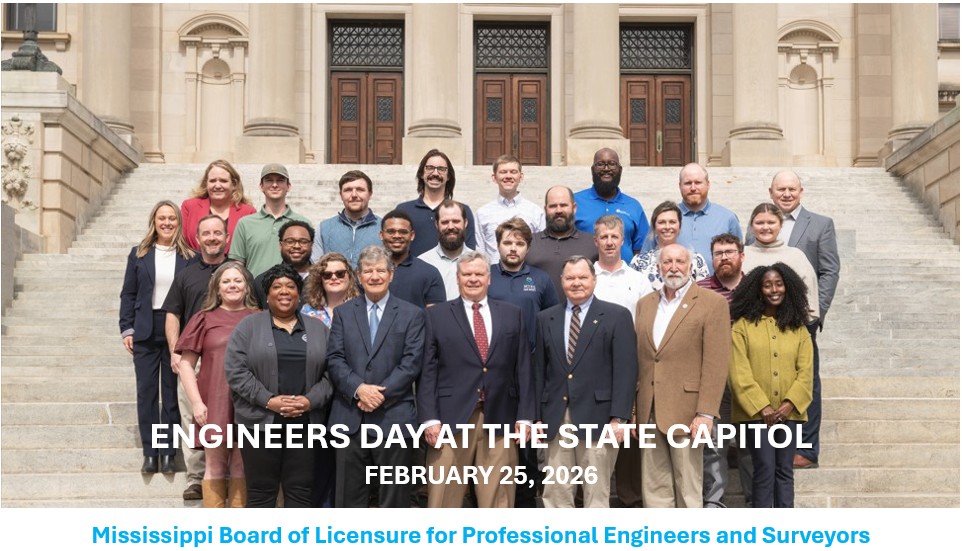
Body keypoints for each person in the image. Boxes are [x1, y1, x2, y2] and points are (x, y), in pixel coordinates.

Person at [418, 252, 534, 508]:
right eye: (467, 274)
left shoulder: (512, 314)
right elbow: (427, 371)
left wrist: (525, 416)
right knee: (443, 498)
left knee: (498, 499)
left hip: (501, 417)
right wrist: (429, 419)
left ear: (489, 279)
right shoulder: (436, 316)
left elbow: (523, 368)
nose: (473, 279)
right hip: (449, 419)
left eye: (479, 274)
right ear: (458, 279)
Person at [224, 263, 332, 507]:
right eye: (277, 286)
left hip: (306, 423)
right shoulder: (248, 327)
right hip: (258, 424)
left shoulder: (318, 329)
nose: (284, 291)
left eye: (290, 286)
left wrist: (309, 401)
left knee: (301, 492)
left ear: (299, 292)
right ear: (267, 293)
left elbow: (331, 373)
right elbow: (236, 371)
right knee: (261, 493)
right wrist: (269, 400)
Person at [326, 246, 426, 508]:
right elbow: (335, 359)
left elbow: (411, 363)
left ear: (391, 275)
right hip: (350, 418)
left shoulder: (412, 314)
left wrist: (379, 394)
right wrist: (359, 389)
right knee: (349, 499)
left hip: (393, 416)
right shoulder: (344, 313)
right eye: (368, 271)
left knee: (395, 500)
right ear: (358, 276)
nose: (375, 276)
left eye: (381, 270)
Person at [534, 256, 637, 508]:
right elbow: (538, 372)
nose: (576, 283)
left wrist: (619, 418)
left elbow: (626, 371)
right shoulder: (545, 318)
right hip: (556, 419)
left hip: (600, 419)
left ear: (594, 279)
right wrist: (536, 416)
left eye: (582, 277)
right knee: (556, 491)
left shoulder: (617, 316)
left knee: (596, 492)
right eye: (570, 278)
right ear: (561, 282)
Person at [634, 243, 730, 507]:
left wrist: (706, 413)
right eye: (667, 262)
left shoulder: (713, 303)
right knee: (654, 490)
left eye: (679, 261)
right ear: (658, 267)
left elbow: (716, 363)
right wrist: (634, 410)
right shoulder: (645, 304)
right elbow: (641, 359)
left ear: (690, 266)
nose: (673, 267)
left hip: (688, 413)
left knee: (688, 490)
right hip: (650, 409)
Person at [763, 170, 840, 470]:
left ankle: (806, 448)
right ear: (771, 192)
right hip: (766, 321)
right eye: (780, 189)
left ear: (801, 191)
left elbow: (829, 271)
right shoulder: (762, 223)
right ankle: (770, 446)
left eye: (791, 189)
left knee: (806, 382)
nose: (786, 194)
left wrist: (816, 312)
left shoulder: (820, 224)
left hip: (802, 320)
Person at [486, 217, 558, 508]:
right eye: (507, 243)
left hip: (530, 370)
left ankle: (526, 505)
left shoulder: (540, 280)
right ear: (498, 245)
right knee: (493, 441)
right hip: (493, 371)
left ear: (528, 248)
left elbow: (553, 324)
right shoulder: (486, 276)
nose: (513, 248)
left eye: (519, 243)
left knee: (526, 441)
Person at [174, 261, 259, 507]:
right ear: (217, 288)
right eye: (226, 281)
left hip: (249, 403)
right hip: (214, 401)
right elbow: (186, 365)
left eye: (238, 280)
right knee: (214, 464)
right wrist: (197, 403)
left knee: (240, 465)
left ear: (246, 286)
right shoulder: (203, 318)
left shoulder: (260, 318)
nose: (232, 285)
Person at [119, 200, 194, 474]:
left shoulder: (190, 257)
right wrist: (127, 328)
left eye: (172, 218)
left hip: (176, 328)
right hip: (145, 327)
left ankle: (168, 452)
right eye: (162, 218)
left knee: (172, 395)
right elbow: (128, 293)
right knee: (147, 393)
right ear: (154, 221)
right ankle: (150, 452)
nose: (167, 223)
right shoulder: (138, 254)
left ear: (178, 222)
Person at [729, 263, 814, 508]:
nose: (774, 289)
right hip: (756, 416)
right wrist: (762, 407)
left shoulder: (799, 329)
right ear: (758, 290)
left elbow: (806, 372)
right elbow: (738, 371)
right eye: (767, 285)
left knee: (784, 471)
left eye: (778, 284)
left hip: (790, 415)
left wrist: (789, 405)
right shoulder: (743, 326)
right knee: (764, 468)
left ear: (788, 288)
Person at [162, 214, 227, 500]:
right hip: (193, 357)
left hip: (228, 356)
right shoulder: (186, 274)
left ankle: (227, 473)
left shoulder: (238, 271)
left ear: (226, 237)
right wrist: (175, 352)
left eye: (217, 233)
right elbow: (172, 314)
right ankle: (197, 478)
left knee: (228, 416)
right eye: (206, 233)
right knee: (193, 417)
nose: (212, 238)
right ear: (197, 239)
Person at [696, 232, 751, 507]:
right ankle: (714, 501)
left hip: (749, 378)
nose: (724, 257)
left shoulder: (756, 286)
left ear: (742, 255)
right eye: (718, 253)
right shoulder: (701, 289)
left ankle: (756, 499)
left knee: (750, 443)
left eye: (729, 251)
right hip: (714, 377)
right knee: (715, 442)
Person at [742, 203, 820, 325]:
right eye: (759, 223)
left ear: (781, 225)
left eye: (771, 222)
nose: (765, 227)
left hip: (788, 327)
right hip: (749, 327)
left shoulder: (795, 256)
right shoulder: (741, 255)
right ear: (751, 226)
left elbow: (809, 298)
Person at [229, 163, 311, 278]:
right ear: (261, 186)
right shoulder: (245, 224)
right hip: (255, 292)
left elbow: (309, 264)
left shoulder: (303, 224)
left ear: (289, 186)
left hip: (291, 291)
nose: (274, 185)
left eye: (280, 180)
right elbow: (237, 264)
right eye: (269, 180)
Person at [396, 149, 478, 256]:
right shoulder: (403, 211)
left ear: (448, 176)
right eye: (430, 168)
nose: (435, 173)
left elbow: (469, 251)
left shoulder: (463, 210)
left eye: (441, 169)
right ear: (421, 173)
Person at [573, 148, 648, 262]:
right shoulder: (575, 202)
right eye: (600, 164)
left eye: (612, 164)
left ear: (620, 170)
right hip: (584, 276)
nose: (606, 169)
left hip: (624, 277)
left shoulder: (633, 206)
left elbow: (641, 250)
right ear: (593, 170)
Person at [527, 186, 598, 302]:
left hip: (581, 316)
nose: (558, 210)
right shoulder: (529, 243)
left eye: (564, 205)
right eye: (553, 206)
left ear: (574, 208)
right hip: (539, 317)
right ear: (545, 209)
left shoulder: (593, 243)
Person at [674, 163, 742, 274]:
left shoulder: (727, 218)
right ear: (679, 186)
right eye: (687, 183)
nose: (693, 188)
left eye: (698, 182)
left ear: (708, 184)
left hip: (717, 288)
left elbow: (739, 256)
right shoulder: (666, 219)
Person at [474, 154, 545, 259]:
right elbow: (480, 251)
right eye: (503, 172)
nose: (508, 176)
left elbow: (540, 248)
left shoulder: (536, 212)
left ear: (521, 177)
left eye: (513, 172)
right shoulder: (482, 213)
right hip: (493, 273)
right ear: (494, 178)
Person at [629, 201, 710, 291]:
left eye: (672, 222)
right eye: (662, 222)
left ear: (679, 226)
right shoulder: (639, 262)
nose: (667, 227)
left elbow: (704, 297)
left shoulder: (695, 259)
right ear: (654, 226)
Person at [180, 159, 255, 254]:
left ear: (234, 184)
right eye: (212, 181)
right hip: (195, 265)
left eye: (223, 181)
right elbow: (181, 242)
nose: (218, 185)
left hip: (234, 267)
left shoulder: (248, 212)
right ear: (206, 183)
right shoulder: (190, 207)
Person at [311, 170, 382, 267]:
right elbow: (317, 265)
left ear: (370, 194)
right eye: (348, 190)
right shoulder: (323, 228)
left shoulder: (383, 228)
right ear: (340, 195)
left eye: (360, 190)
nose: (354, 195)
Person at [380, 209, 445, 309]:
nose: (397, 236)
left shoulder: (429, 273)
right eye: (391, 231)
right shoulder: (369, 272)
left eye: (403, 232)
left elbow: (435, 317)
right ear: (381, 235)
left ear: (412, 235)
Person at [592, 215, 652, 320]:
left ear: (622, 240)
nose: (609, 243)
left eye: (614, 237)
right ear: (596, 241)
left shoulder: (639, 280)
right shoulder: (586, 280)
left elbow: (648, 320)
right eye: (604, 237)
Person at [417, 199, 474, 300]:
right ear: (436, 225)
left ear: (465, 223)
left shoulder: (478, 262)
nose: (451, 227)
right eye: (445, 222)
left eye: (456, 221)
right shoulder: (422, 263)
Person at [253, 220, 314, 309]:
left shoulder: (325, 279)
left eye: (303, 241)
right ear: (281, 245)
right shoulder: (263, 281)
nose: (296, 246)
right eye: (290, 241)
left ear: (311, 245)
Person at [301, 252, 362, 327]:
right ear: (320, 279)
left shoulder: (362, 308)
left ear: (349, 276)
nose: (334, 278)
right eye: (327, 275)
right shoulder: (308, 311)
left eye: (340, 274)